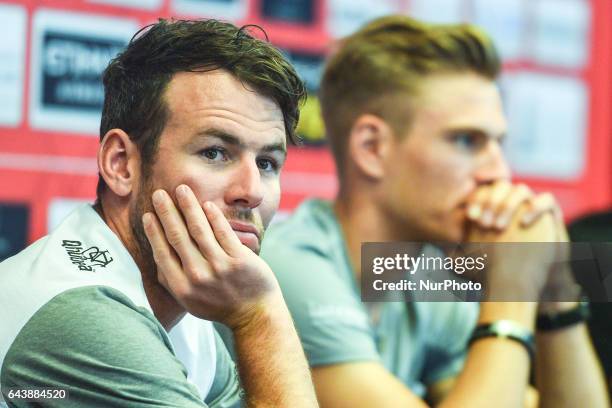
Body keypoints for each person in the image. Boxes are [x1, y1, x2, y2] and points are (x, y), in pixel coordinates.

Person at [258, 16, 609, 407]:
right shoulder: (289, 268)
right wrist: (513, 289)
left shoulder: (425, 281)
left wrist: (556, 296)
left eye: (497, 144)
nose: (498, 172)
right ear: (372, 148)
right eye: (466, 140)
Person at [0, 19, 318, 407]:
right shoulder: (81, 314)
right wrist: (259, 314)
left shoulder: (189, 316)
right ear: (122, 165)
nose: (251, 192)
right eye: (215, 153)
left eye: (267, 162)